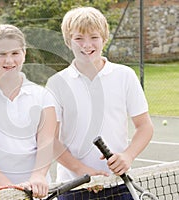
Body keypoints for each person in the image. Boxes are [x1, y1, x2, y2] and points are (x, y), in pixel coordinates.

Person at [46, 7, 154, 199]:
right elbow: (50, 140)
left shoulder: (125, 76)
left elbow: (144, 126)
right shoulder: (56, 84)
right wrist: (82, 171)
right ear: (68, 42)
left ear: (104, 39)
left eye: (94, 37)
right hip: (73, 187)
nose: (86, 45)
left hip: (119, 183)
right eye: (79, 38)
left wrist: (128, 156)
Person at [0, 24, 57, 199]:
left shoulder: (43, 96)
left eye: (15, 53)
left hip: (37, 191)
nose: (9, 61)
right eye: (2, 54)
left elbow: (46, 142)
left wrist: (37, 176)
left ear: (24, 54)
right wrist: (9, 189)